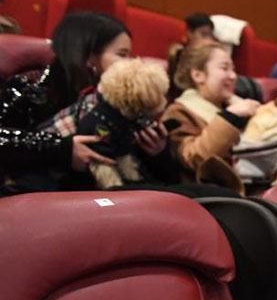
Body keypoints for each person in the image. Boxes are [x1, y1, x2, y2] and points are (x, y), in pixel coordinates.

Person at [1, 11, 169, 192]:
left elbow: (154, 177)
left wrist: (157, 153)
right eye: (122, 55)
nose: (129, 63)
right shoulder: (33, 88)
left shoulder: (118, 103)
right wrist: (63, 150)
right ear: (90, 58)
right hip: (43, 197)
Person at [162, 40, 259, 190]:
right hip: (213, 197)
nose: (233, 76)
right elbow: (194, 158)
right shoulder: (178, 112)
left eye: (234, 69)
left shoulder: (240, 107)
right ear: (198, 75)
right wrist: (229, 117)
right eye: (224, 68)